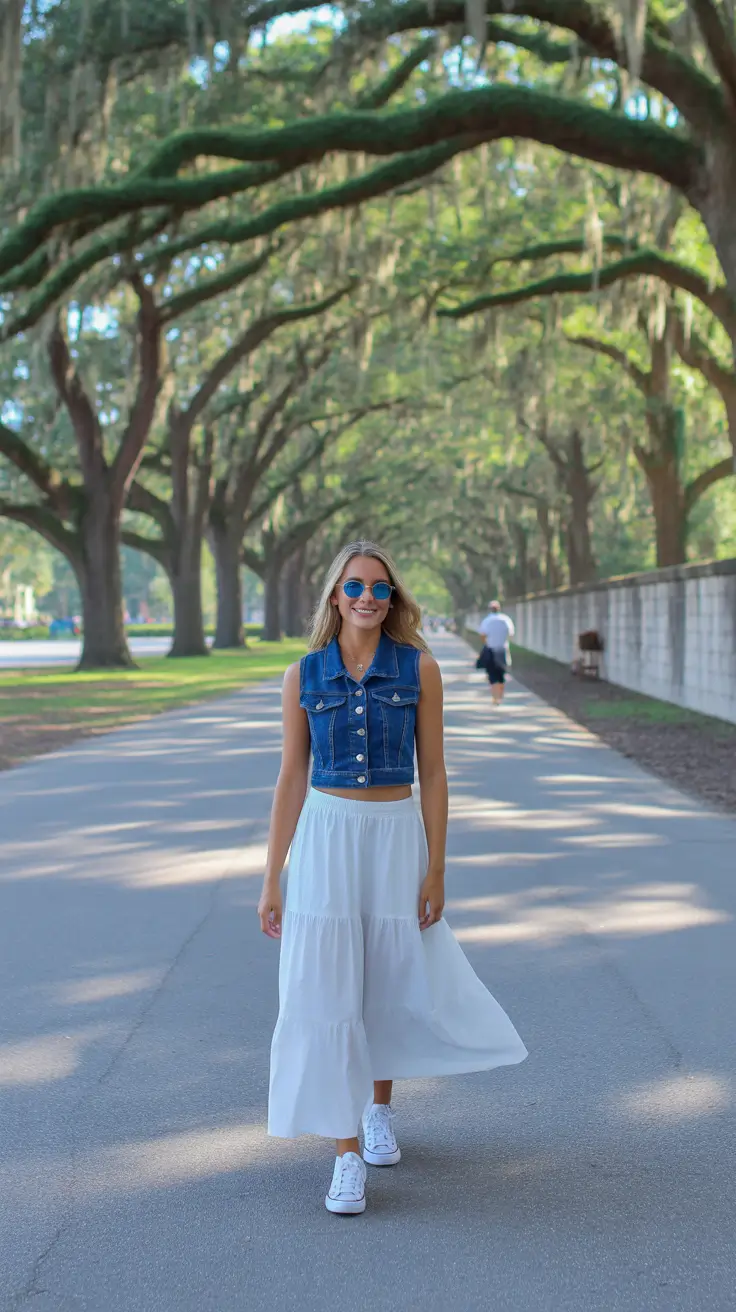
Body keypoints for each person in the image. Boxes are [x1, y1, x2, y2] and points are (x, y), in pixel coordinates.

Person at [258, 540, 527, 1215]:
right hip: (325, 836)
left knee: (388, 975)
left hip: (393, 834)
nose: (368, 598)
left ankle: (379, 1111)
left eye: (380, 588)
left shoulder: (420, 669)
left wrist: (436, 865)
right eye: (355, 588)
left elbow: (433, 772)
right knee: (328, 987)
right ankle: (345, 1152)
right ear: (334, 597)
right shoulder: (303, 675)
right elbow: (291, 777)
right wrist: (272, 877)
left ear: (394, 598)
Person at [478, 600, 515, 706]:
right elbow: (511, 634)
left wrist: (487, 643)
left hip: (491, 650)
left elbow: (482, 634)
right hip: (503, 649)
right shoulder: (505, 619)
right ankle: (500, 696)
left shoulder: (487, 620)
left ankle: (495, 697)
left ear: (490, 609)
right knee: (501, 674)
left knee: (492, 675)